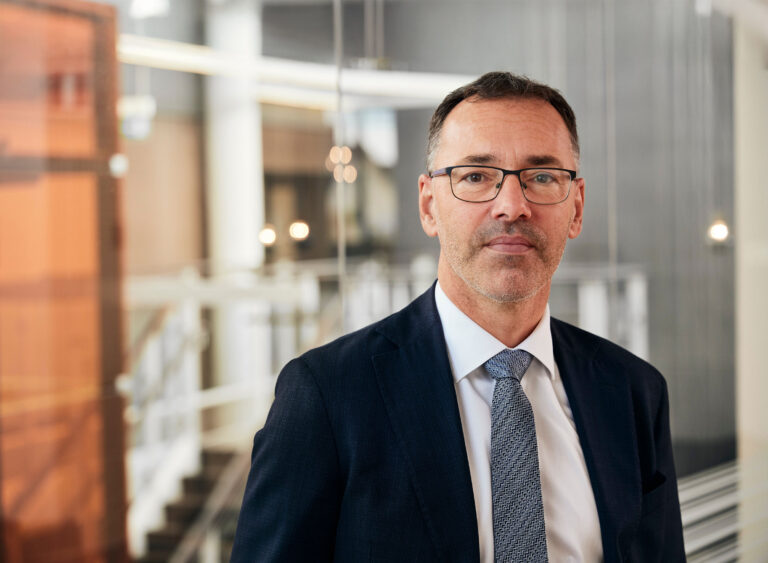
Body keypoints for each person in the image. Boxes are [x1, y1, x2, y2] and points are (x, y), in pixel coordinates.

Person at [230, 72, 685, 563]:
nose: (512, 206)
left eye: (542, 177)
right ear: (429, 206)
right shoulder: (327, 395)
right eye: (475, 177)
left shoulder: (633, 392)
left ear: (576, 208)